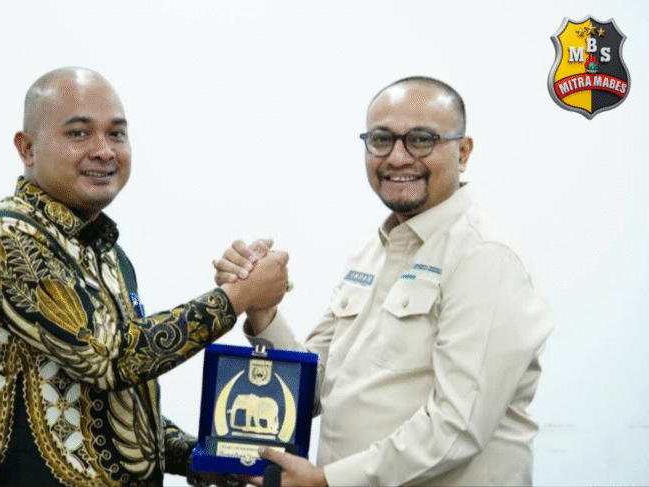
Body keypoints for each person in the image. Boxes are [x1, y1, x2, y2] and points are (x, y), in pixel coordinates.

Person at [0, 66, 289, 487]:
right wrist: (236, 297)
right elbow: (108, 359)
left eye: (116, 134)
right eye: (79, 133)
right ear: (27, 148)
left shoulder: (110, 255)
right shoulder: (7, 237)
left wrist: (197, 458)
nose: (104, 150)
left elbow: (118, 397)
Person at [216, 76, 553, 486]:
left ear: (462, 152)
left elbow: (458, 426)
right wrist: (262, 309)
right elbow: (313, 389)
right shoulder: (369, 253)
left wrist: (327, 481)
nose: (397, 157)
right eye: (381, 140)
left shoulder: (485, 258)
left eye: (421, 140)